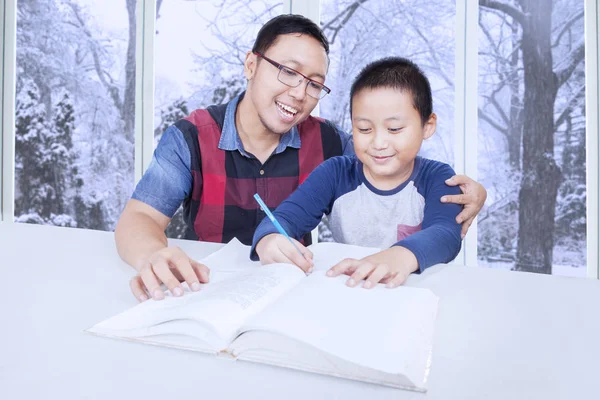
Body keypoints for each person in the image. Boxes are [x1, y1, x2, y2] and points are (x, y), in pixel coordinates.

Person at [115, 15, 486, 302]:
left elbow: (392, 161)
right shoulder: (190, 136)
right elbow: (140, 217)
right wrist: (151, 256)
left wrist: (470, 193)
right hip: (203, 289)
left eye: (314, 83)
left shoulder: (331, 143)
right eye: (288, 72)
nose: (299, 92)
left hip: (300, 294)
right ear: (251, 65)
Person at [252, 57, 462, 289]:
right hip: (353, 291)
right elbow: (284, 218)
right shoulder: (335, 173)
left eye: (394, 129)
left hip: (414, 294)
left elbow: (446, 234)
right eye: (364, 129)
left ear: (427, 126)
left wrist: (399, 256)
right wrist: (269, 239)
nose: (379, 142)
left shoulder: (437, 177)